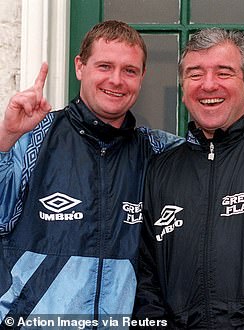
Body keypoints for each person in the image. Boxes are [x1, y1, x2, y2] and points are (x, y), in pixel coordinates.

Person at [0, 20, 183, 326]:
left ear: (142, 77)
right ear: (80, 67)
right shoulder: (33, 137)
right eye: (104, 66)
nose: (116, 80)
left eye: (129, 70)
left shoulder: (157, 152)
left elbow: (222, 155)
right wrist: (5, 137)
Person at [133, 28, 244, 329]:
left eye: (224, 73)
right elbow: (145, 279)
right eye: (195, 74)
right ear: (183, 88)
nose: (208, 85)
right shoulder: (159, 170)